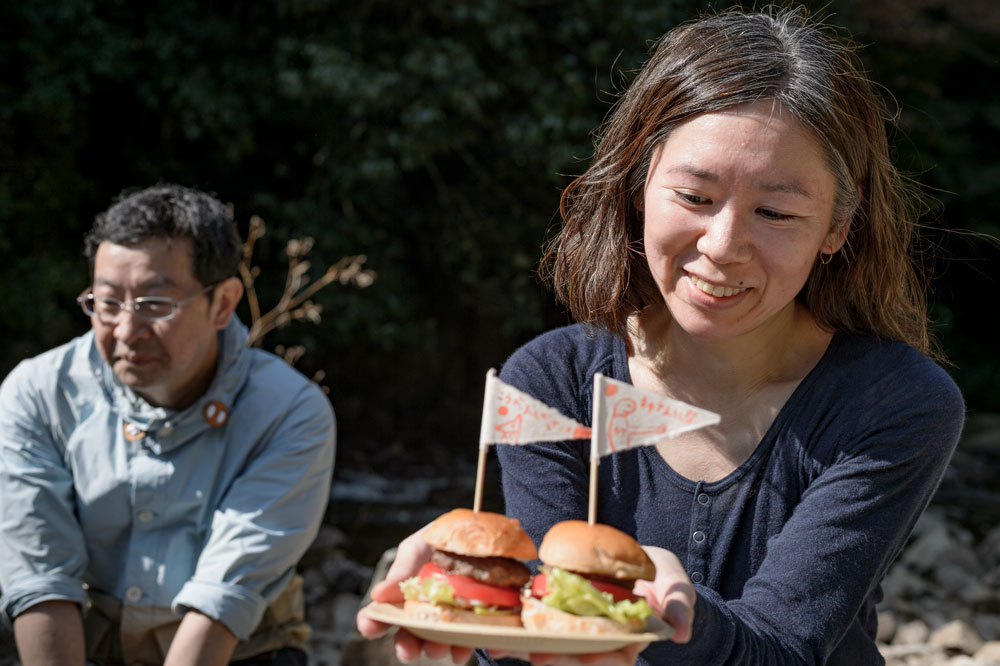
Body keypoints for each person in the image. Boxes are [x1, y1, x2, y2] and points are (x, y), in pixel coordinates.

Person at [358, 5, 967, 666]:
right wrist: (470, 603)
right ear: (640, 188)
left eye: (775, 211)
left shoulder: (896, 404)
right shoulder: (552, 382)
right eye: (696, 197)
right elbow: (542, 633)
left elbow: (785, 650)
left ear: (836, 229)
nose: (725, 245)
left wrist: (674, 615)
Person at [0, 184, 336, 665]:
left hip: (239, 652)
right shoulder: (37, 393)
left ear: (222, 303)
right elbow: (41, 577)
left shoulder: (289, 412)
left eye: (155, 305)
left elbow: (222, 601)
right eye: (107, 302)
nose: (126, 331)